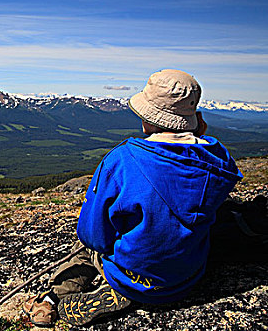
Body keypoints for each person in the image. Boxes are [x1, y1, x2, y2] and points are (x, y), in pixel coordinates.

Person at [22, 69, 243, 327]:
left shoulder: (124, 160)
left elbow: (92, 235)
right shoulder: (219, 161)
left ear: (147, 119)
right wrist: (198, 132)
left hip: (133, 276)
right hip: (187, 277)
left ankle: (52, 299)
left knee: (84, 247)